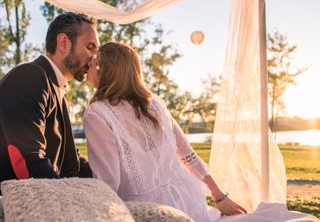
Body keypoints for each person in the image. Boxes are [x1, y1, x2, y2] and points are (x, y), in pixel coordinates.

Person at [83, 42, 247, 221]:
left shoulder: (96, 113)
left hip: (146, 212)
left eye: (90, 64)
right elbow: (187, 154)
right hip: (186, 200)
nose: (86, 68)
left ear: (103, 71)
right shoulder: (152, 103)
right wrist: (219, 196)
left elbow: (107, 182)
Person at [0, 12, 100, 187]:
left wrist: (107, 184)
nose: (94, 59)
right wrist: (65, 199)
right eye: (90, 47)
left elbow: (72, 163)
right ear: (64, 43)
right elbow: (27, 160)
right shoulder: (29, 77)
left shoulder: (58, 90)